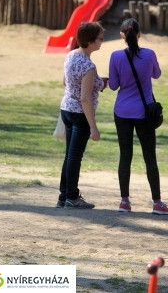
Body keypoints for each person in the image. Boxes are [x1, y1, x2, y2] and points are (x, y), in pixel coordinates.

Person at [108, 18, 168, 215]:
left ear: (122, 36)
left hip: (122, 111)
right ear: (139, 33)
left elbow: (113, 85)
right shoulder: (149, 54)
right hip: (144, 112)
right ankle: (157, 203)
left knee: (125, 156)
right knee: (150, 157)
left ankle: (124, 202)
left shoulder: (115, 56)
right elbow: (157, 74)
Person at [57, 21, 106, 209]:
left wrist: (96, 83)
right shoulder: (88, 66)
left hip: (66, 110)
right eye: (100, 39)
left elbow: (65, 81)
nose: (102, 42)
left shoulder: (70, 56)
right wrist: (93, 126)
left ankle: (64, 196)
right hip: (80, 114)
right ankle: (72, 197)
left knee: (69, 155)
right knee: (75, 157)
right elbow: (85, 99)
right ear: (91, 41)